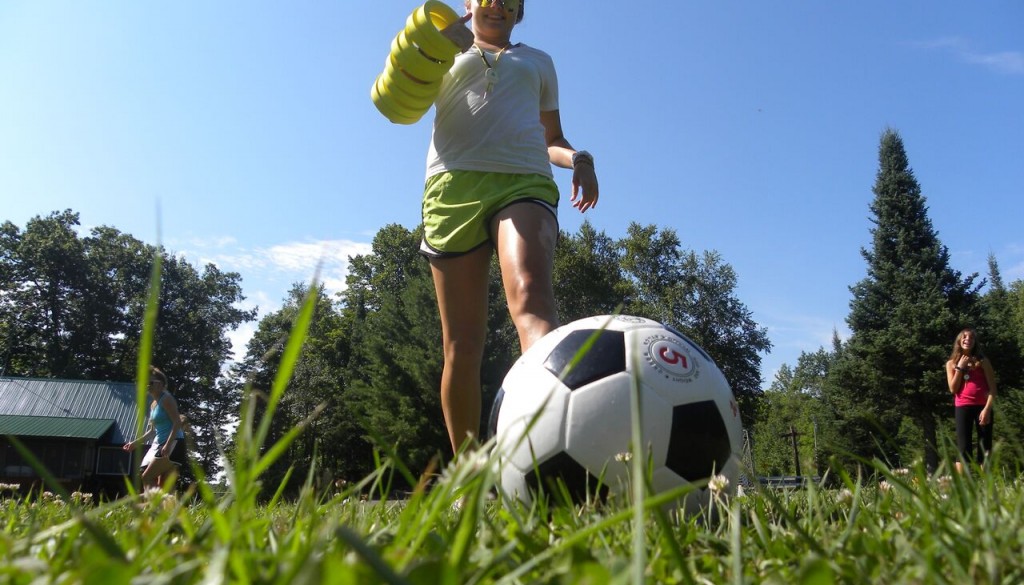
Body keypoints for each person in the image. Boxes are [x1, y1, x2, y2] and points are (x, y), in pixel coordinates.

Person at [426, 0, 599, 455]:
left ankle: (546, 455)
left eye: (511, 0)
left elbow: (552, 140)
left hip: (524, 181)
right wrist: (434, 49)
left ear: (520, 12)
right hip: (451, 186)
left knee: (531, 301)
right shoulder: (442, 48)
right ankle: (468, 477)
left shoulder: (538, 61)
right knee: (461, 345)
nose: (499, 5)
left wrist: (579, 158)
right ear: (469, 3)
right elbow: (400, 99)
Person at [123, 367, 187, 488]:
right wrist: (135, 443)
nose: (147, 385)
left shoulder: (167, 399)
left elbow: (177, 422)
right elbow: (152, 431)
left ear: (160, 384)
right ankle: (163, 505)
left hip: (173, 444)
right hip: (160, 444)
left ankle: (154, 505)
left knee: (147, 477)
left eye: (150, 382)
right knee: (163, 484)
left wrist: (168, 445)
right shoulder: (154, 404)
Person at [945, 328, 997, 473]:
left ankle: (986, 484)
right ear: (959, 341)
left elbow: (993, 389)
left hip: (983, 407)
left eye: (971, 338)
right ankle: (963, 487)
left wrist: (987, 409)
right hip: (962, 407)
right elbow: (953, 389)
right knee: (963, 447)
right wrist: (960, 368)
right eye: (964, 337)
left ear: (974, 342)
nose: (968, 339)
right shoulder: (951, 364)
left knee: (985, 445)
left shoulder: (983, 361)